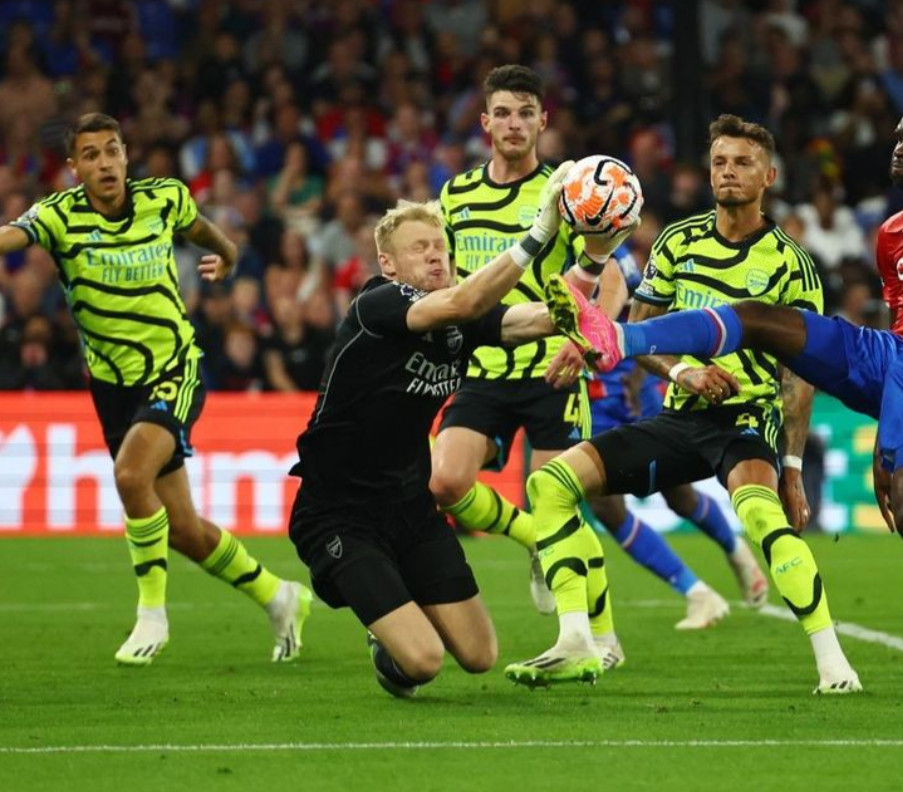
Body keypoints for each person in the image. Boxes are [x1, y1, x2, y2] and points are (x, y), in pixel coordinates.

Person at [549, 89, 903, 705]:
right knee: (759, 317)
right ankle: (618, 337)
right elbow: (900, 324)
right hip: (890, 355)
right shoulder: (893, 232)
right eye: (898, 137)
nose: (897, 148)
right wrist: (878, 427)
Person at [505, 114, 861, 695]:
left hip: (747, 420)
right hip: (678, 416)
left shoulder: (791, 263)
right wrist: (683, 371)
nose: (728, 172)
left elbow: (798, 376)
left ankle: (834, 664)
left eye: (743, 162)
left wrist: (792, 468)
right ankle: (580, 641)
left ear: (769, 176)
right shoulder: (678, 241)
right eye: (719, 161)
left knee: (764, 518)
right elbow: (639, 334)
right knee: (550, 485)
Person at [287, 164, 627, 697]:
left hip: (410, 509)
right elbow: (466, 301)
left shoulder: (460, 320)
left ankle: (393, 604)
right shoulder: (377, 305)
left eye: (441, 247)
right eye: (420, 248)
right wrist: (540, 232)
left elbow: (543, 317)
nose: (435, 256)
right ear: (388, 263)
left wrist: (595, 259)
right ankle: (381, 626)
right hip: (339, 512)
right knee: (423, 663)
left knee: (479, 655)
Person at [0, 113, 311, 665]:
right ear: (74, 168)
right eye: (90, 155)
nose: (104, 163)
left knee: (129, 475)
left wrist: (228, 256)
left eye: (112, 150)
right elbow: (10, 237)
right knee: (184, 529)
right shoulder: (57, 217)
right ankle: (278, 595)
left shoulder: (163, 198)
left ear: (125, 155)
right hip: (112, 388)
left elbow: (207, 232)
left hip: (174, 368)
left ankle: (151, 614)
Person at [428, 65, 624, 615]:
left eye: (526, 113)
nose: (514, 124)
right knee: (443, 483)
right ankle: (531, 537)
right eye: (504, 113)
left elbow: (613, 279)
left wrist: (586, 342)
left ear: (543, 121)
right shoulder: (456, 194)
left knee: (558, 502)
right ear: (485, 122)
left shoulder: (567, 190)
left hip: (552, 370)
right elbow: (444, 281)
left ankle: (601, 635)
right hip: (481, 369)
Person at [580, 243, 769, 631]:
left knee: (678, 493)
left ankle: (735, 551)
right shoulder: (555, 250)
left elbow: (648, 318)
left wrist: (638, 378)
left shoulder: (613, 251)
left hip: (630, 392)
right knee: (605, 507)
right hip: (589, 398)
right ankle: (697, 592)